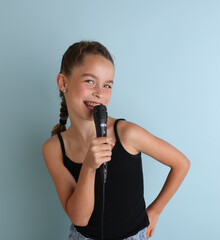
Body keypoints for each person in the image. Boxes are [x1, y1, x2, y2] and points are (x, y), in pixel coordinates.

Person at [42, 41, 190, 240]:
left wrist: (155, 211)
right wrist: (88, 167)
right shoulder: (54, 149)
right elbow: (80, 218)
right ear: (63, 83)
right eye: (89, 81)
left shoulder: (127, 133)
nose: (99, 93)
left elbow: (181, 163)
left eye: (107, 85)